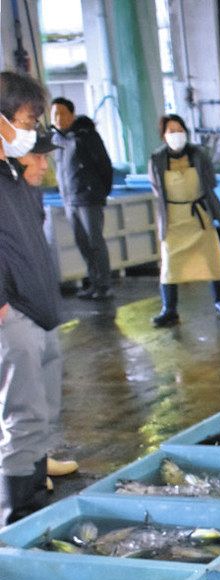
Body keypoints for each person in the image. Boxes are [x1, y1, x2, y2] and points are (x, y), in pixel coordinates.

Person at [0, 71, 64, 527]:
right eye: (25, 118)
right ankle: (17, 516)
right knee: (22, 418)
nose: (31, 128)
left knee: (42, 414)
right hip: (11, 316)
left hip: (39, 313)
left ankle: (35, 499)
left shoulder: (15, 178)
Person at [148, 114, 220, 327]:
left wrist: (217, 215)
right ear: (163, 135)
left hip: (199, 215)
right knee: (170, 263)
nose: (176, 135)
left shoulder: (199, 154)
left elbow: (210, 182)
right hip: (173, 218)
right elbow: (157, 188)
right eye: (171, 131)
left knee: (212, 259)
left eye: (179, 130)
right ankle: (169, 308)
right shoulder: (156, 159)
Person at [49, 96, 113, 301]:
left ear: (72, 115)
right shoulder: (59, 139)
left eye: (62, 113)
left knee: (95, 241)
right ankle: (93, 283)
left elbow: (104, 164)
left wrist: (101, 191)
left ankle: (104, 285)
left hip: (88, 198)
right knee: (82, 243)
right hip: (69, 199)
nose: (58, 118)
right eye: (54, 114)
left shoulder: (86, 135)